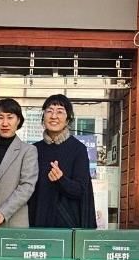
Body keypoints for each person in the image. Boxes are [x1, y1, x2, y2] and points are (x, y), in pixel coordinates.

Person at [28, 94, 97, 228]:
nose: (54, 116)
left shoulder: (78, 149)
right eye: (49, 111)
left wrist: (61, 179)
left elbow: (81, 190)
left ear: (68, 119)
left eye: (60, 112)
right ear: (43, 117)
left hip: (67, 226)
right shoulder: (34, 149)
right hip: (37, 222)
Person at [0, 98, 38, 227]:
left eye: (10, 117)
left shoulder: (28, 150)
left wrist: (4, 212)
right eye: (0, 117)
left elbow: (26, 186)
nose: (5, 123)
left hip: (14, 220)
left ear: (18, 120)